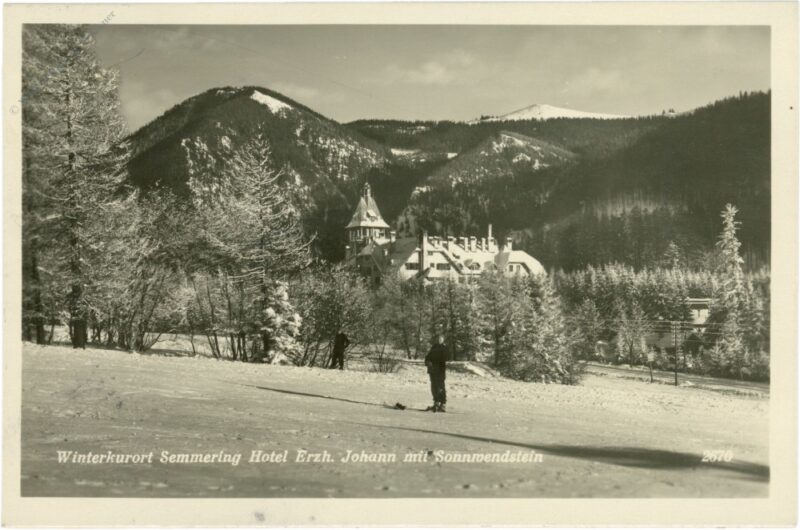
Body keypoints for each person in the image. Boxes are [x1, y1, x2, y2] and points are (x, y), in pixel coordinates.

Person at [424, 334, 449, 412]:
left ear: (443, 340)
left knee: (440, 387)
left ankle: (443, 404)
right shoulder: (433, 347)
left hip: (440, 371)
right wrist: (428, 362)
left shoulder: (444, 348)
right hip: (432, 371)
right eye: (438, 339)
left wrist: (435, 361)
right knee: (434, 387)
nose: (439, 340)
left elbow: (446, 358)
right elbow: (427, 357)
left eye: (441, 339)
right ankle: (436, 402)